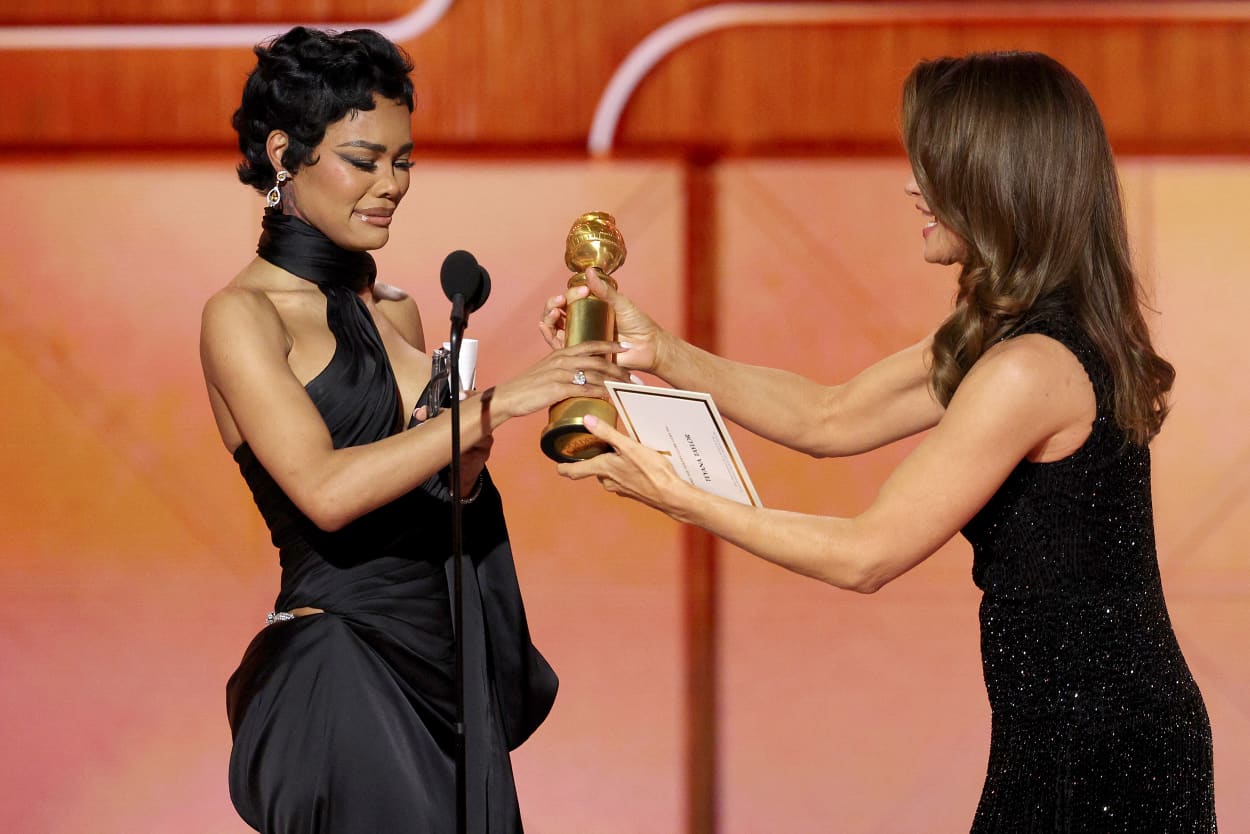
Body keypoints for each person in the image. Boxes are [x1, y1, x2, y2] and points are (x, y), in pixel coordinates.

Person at [547, 51, 1216, 831]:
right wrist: (661, 351)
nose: (911, 187)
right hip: (1065, 730)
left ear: (995, 182)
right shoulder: (1006, 337)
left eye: (932, 166)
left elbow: (866, 554)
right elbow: (827, 417)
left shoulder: (1029, 368)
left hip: (1102, 747)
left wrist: (679, 496)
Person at [200, 26, 626, 833]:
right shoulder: (242, 316)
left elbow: (423, 491)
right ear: (285, 154)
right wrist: (497, 403)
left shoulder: (398, 310)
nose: (391, 185)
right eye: (364, 161)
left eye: (403, 162)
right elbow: (325, 492)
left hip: (441, 669)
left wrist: (463, 475)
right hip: (338, 668)